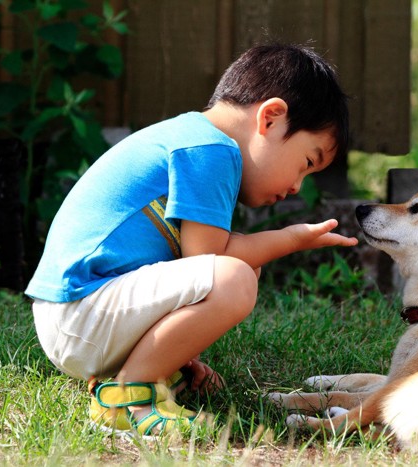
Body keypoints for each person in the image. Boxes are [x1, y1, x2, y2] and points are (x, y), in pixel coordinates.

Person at [24, 43, 357, 438]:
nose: (297, 187)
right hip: (79, 313)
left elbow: (190, 266)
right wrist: (290, 238)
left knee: (237, 268)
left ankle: (152, 372)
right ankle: (128, 398)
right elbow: (208, 259)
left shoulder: (196, 140)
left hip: (81, 315)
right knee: (233, 274)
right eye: (306, 162)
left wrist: (180, 355)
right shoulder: (210, 149)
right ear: (271, 117)